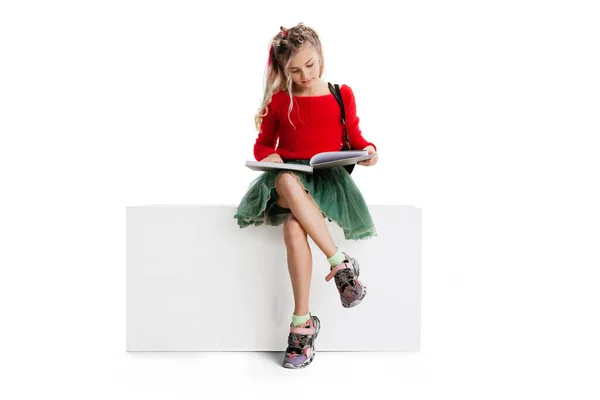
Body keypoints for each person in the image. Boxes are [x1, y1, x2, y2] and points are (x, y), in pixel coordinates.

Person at [233, 23, 378, 369]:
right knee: (283, 178)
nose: (304, 75)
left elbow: (355, 137)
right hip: (292, 180)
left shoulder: (341, 93)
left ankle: (302, 326)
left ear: (321, 55)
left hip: (327, 183)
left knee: (294, 230)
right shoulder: (281, 100)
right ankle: (340, 263)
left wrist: (369, 151)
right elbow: (264, 143)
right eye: (295, 70)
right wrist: (269, 154)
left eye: (310, 65)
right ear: (284, 70)